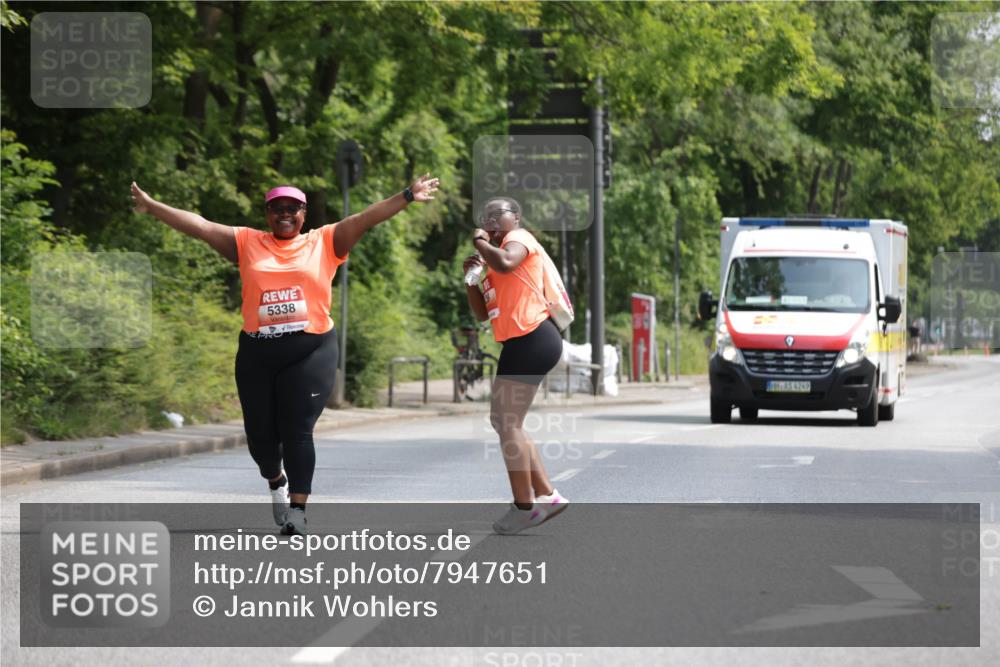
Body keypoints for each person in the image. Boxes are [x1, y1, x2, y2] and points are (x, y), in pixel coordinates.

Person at [130, 175, 440, 535]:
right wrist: (152, 206)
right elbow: (199, 226)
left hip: (311, 350)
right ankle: (275, 480)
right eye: (277, 209)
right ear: (267, 214)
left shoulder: (324, 241)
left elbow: (364, 219)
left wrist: (406, 196)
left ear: (303, 213)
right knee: (261, 440)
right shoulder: (247, 242)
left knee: (298, 430)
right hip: (258, 352)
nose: (285, 214)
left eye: (292, 209)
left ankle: (298, 509)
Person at [463, 197, 570, 535]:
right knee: (508, 422)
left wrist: (480, 240)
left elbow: (509, 263)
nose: (492, 220)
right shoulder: (493, 262)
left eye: (498, 215)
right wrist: (471, 279)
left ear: (517, 218)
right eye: (486, 216)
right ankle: (548, 496)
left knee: (506, 422)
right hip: (520, 341)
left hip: (533, 336)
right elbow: (482, 313)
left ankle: (524, 507)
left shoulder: (519, 240)